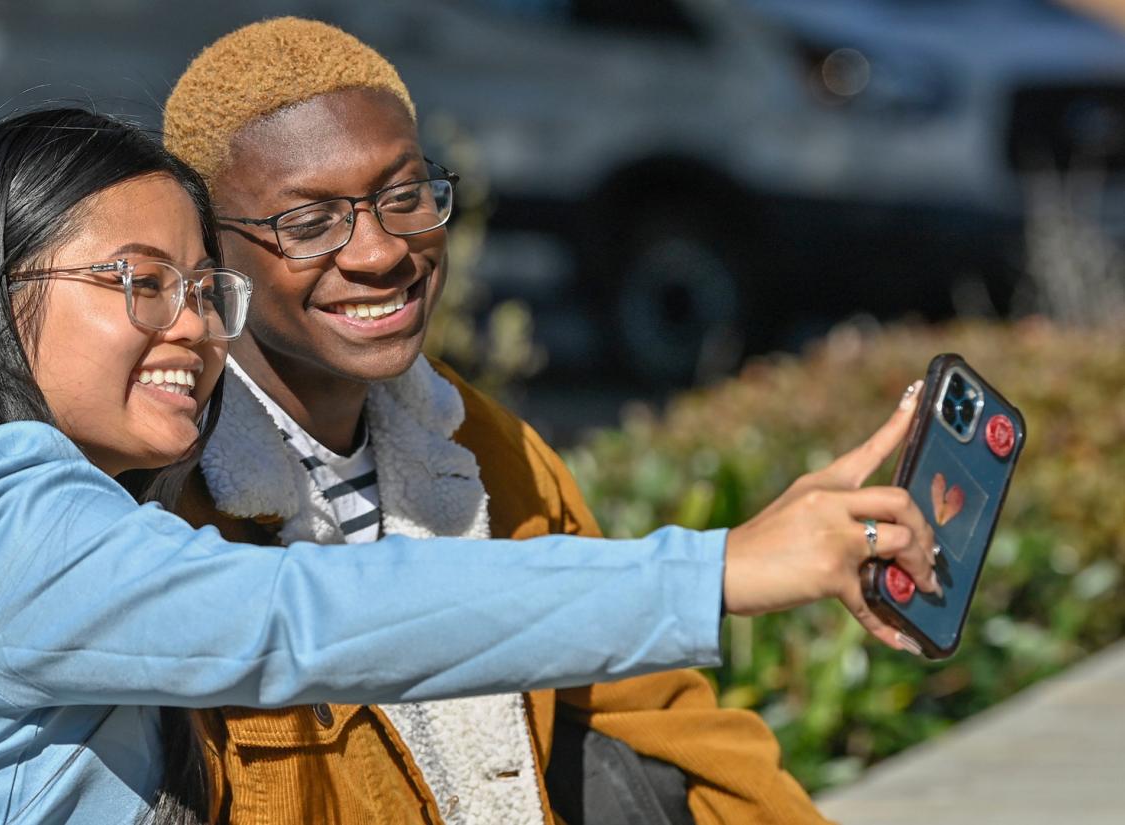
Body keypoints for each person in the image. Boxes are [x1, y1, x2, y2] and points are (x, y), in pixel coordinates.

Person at [0, 107, 933, 825]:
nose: (189, 328)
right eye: (135, 283)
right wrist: (716, 569)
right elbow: (300, 620)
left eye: (195, 287)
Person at [160, 17, 938, 825]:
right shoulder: (165, 509)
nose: (381, 252)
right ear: (211, 255)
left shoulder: (484, 449)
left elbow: (666, 714)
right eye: (309, 223)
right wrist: (723, 568)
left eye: (404, 196)